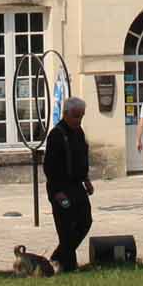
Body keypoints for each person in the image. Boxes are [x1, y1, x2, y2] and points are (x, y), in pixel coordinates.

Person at [42, 96, 94, 271]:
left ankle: (57, 257)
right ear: (65, 114)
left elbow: (81, 159)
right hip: (60, 188)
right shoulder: (56, 135)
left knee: (85, 220)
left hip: (76, 185)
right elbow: (49, 167)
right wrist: (57, 192)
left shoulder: (79, 132)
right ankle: (69, 266)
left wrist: (86, 180)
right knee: (65, 227)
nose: (79, 120)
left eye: (82, 116)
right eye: (75, 116)